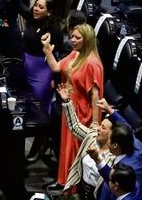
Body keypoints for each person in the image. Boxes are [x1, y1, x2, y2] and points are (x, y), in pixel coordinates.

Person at [42, 23, 104, 186]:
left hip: (83, 112)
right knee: (66, 147)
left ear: (87, 40)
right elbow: (56, 67)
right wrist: (48, 50)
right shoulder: (75, 54)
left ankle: (73, 186)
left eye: (77, 37)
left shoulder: (92, 62)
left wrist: (96, 123)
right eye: (72, 36)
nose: (72, 40)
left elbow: (95, 95)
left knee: (75, 149)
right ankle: (64, 181)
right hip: (69, 106)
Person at [23, 0, 62, 119]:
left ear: (49, 12)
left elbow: (57, 56)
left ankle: (41, 134)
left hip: (42, 70)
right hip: (26, 64)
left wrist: (55, 80)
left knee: (39, 103)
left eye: (41, 7)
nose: (36, 9)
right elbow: (17, 6)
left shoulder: (54, 31)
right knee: (25, 100)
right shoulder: (31, 19)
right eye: (35, 5)